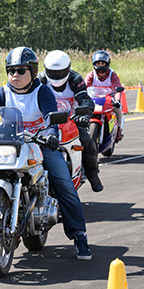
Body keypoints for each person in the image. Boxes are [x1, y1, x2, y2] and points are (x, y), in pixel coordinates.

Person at [0, 46, 92, 260]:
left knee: (65, 185)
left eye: (21, 70)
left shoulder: (42, 91)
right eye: (11, 70)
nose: (15, 75)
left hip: (40, 144)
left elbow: (51, 115)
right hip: (10, 144)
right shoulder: (2, 92)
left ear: (33, 72)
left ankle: (79, 235)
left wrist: (51, 135)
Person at [38, 50, 103, 193]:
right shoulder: (40, 80)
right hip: (46, 123)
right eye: (52, 72)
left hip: (71, 121)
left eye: (59, 72)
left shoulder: (75, 79)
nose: (56, 76)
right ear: (45, 69)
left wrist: (85, 115)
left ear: (68, 68)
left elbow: (85, 99)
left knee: (87, 142)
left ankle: (93, 175)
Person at [84, 50, 125, 142]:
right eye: (98, 63)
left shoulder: (112, 75)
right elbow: (84, 87)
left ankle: (118, 129)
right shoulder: (91, 74)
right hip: (94, 100)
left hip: (108, 100)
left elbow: (118, 88)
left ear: (107, 64)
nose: (100, 66)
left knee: (118, 109)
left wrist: (117, 100)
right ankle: (82, 130)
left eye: (103, 63)